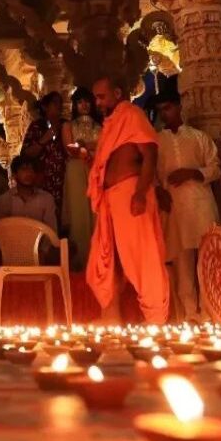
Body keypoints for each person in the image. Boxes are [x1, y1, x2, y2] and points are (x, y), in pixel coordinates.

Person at [86, 77, 170, 324]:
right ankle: (111, 319)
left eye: (102, 96)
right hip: (111, 200)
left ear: (118, 92)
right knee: (109, 260)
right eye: (96, 98)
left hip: (131, 193)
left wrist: (141, 193)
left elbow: (150, 154)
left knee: (142, 258)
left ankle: (156, 319)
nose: (97, 103)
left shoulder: (132, 115)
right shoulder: (111, 124)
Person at [154, 90, 220, 322]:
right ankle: (190, 314)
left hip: (201, 204)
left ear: (179, 107)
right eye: (161, 110)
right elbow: (152, 175)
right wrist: (158, 191)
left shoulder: (199, 137)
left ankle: (209, 312)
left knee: (208, 259)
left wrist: (193, 172)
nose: (165, 114)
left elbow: (215, 168)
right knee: (182, 262)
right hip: (174, 207)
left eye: (168, 108)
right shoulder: (156, 142)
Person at [62, 87, 100, 267]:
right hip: (77, 168)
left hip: (97, 167)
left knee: (97, 212)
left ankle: (100, 259)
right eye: (79, 102)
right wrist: (88, 149)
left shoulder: (102, 125)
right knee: (78, 212)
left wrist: (86, 145)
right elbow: (70, 149)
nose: (84, 105)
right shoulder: (68, 126)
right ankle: (81, 260)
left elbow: (107, 146)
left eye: (87, 101)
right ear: (75, 105)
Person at [22, 92, 68, 220]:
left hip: (64, 178)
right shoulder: (37, 126)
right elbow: (26, 153)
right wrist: (45, 138)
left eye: (61, 103)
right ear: (45, 107)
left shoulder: (66, 125)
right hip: (43, 178)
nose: (59, 106)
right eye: (55, 103)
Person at [0, 156, 58, 232]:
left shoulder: (46, 199)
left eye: (32, 170)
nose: (29, 173)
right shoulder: (4, 200)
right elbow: (2, 231)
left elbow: (51, 231)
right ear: (15, 175)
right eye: (24, 169)